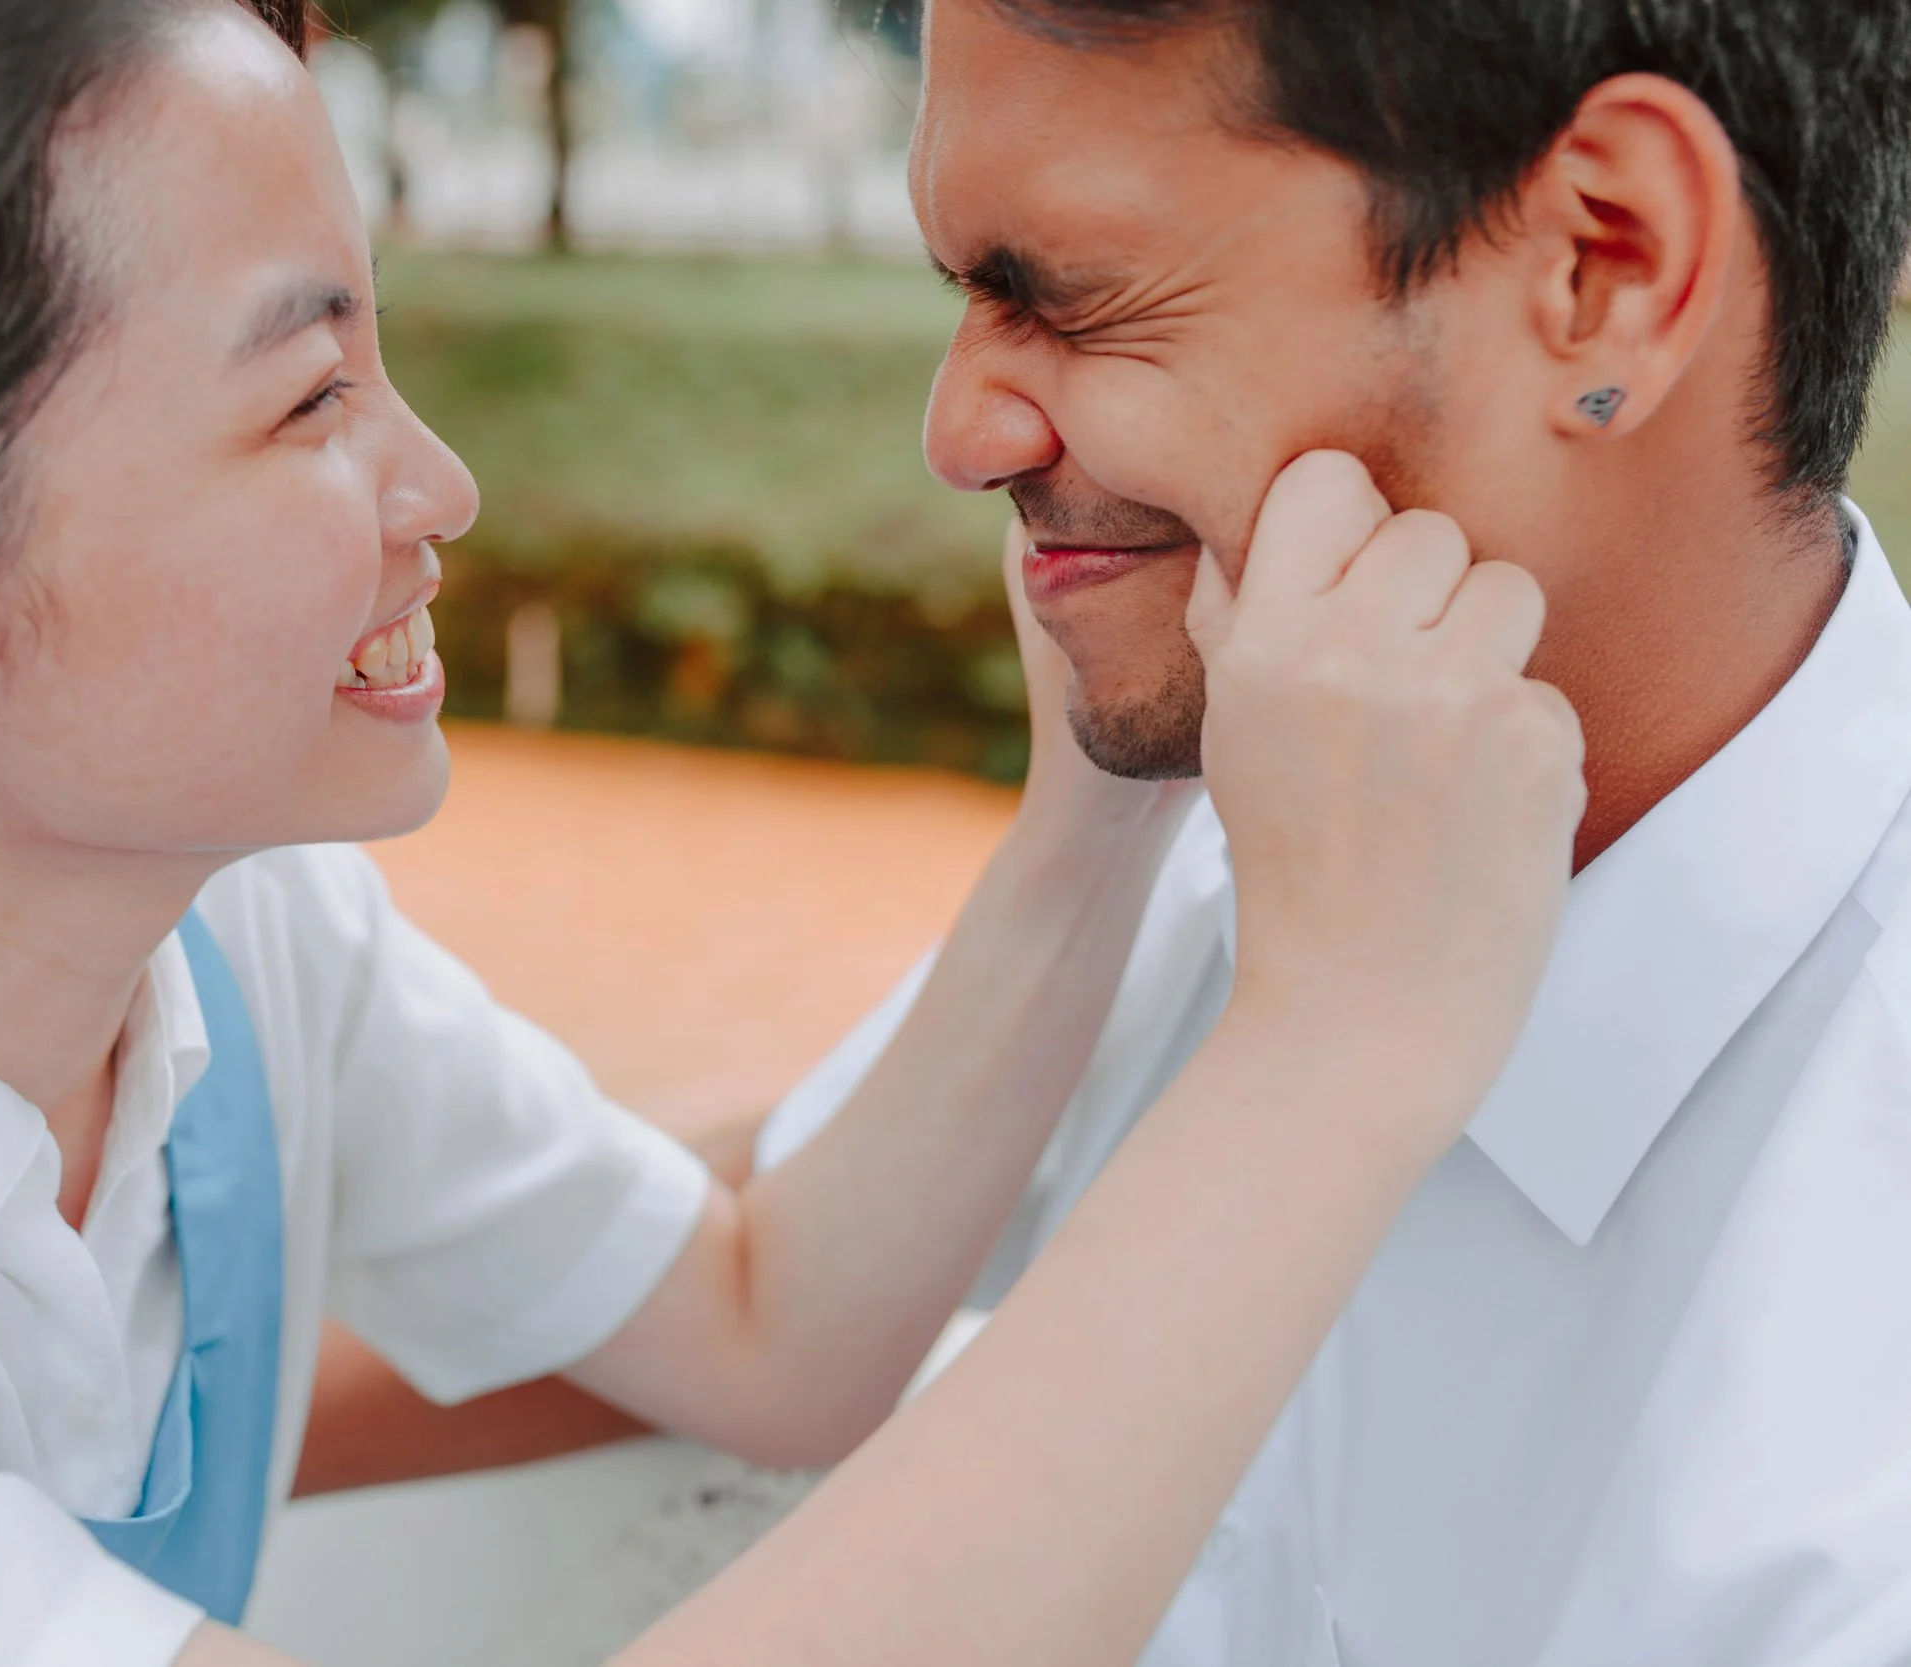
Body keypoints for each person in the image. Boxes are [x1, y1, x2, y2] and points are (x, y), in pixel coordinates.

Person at [0, 0, 1580, 1663]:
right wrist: (1340, 1039)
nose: (436, 485)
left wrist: (1106, 785)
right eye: (304, 401)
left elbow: (770, 1323)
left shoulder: (218, 961)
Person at [761, 1, 1911, 1663]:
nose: (962, 433)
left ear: (1607, 262)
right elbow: (749, 1271)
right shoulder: (1255, 859)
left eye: (1070, 297)